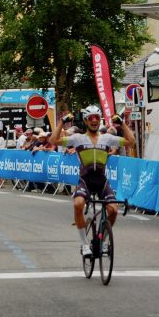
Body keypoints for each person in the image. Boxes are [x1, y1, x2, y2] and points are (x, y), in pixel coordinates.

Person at [51, 105, 135, 256]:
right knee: (78, 205)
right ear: (85, 121)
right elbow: (53, 140)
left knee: (113, 210)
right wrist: (62, 122)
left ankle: (103, 242)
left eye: (97, 117)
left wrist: (121, 123)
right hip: (86, 179)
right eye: (91, 118)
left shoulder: (108, 138)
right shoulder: (77, 139)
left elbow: (131, 141)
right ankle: (84, 245)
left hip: (101, 180)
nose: (94, 120)